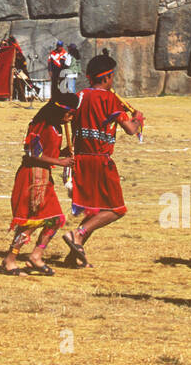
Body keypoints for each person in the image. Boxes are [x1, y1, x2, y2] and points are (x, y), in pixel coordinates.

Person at [61, 52, 143, 268]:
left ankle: (73, 256)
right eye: (112, 77)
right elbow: (130, 130)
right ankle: (76, 235)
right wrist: (138, 120)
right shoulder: (110, 99)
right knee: (116, 209)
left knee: (95, 209)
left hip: (80, 160)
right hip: (100, 161)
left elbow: (66, 118)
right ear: (106, 78)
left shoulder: (80, 96)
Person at [2, 92, 77, 275]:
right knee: (30, 223)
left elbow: (47, 151)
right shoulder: (40, 125)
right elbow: (31, 153)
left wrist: (62, 153)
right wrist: (60, 162)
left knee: (56, 219)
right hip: (31, 177)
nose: (70, 118)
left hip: (44, 177)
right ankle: (10, 260)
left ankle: (36, 256)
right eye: (69, 114)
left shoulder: (56, 127)